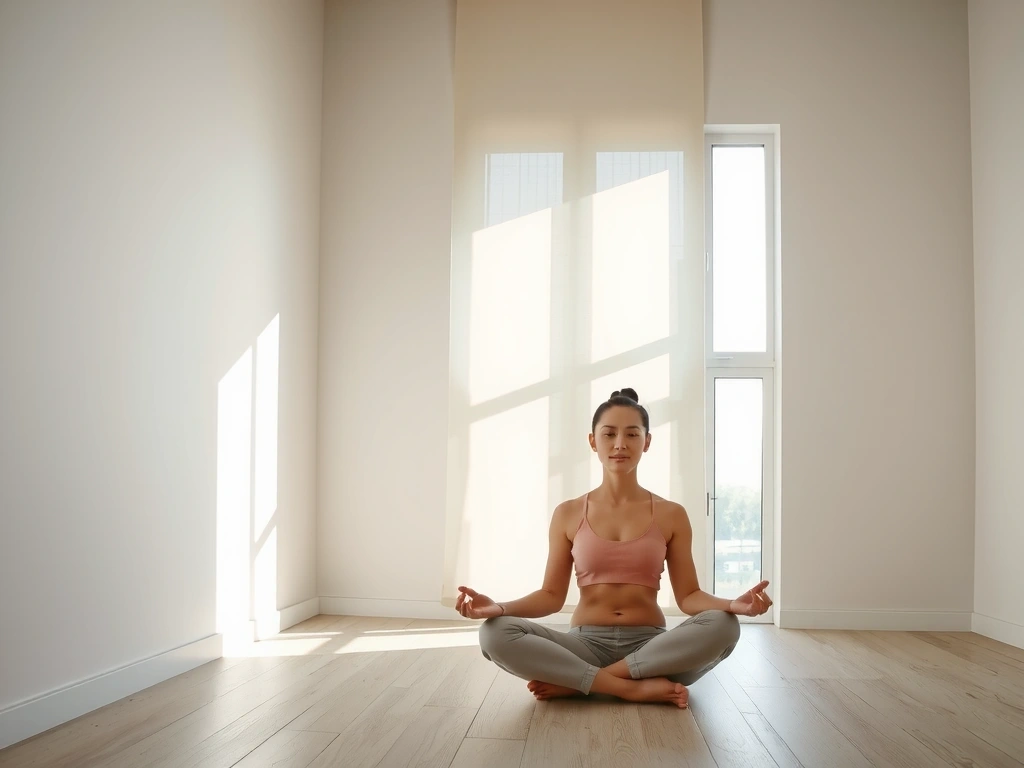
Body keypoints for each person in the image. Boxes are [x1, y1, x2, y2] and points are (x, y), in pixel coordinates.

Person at [455, 388, 772, 708]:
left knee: (724, 625)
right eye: (609, 434)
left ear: (647, 441)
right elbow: (551, 596)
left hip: (652, 649)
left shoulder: (671, 514)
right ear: (593, 441)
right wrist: (499, 608)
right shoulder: (568, 513)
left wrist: (733, 605)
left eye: (632, 434)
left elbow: (689, 597)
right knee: (494, 633)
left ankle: (584, 682)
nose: (620, 444)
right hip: (584, 645)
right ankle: (630, 688)